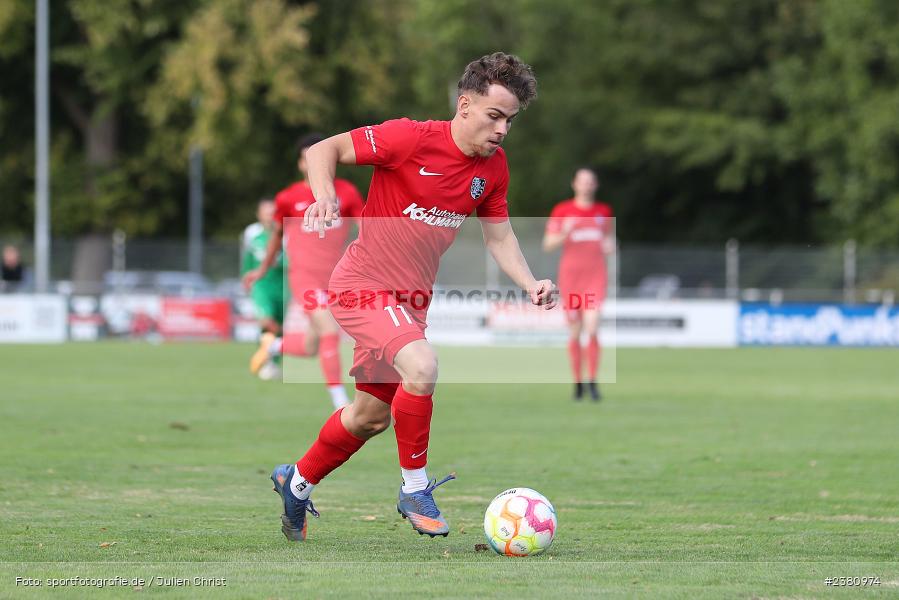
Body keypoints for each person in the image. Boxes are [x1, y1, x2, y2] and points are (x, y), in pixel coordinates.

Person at [267, 52, 556, 542]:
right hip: (361, 286)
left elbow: (500, 237)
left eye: (510, 120)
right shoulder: (410, 138)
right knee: (422, 367)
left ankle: (296, 482)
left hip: (409, 304)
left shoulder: (494, 168)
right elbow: (323, 149)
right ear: (464, 105)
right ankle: (415, 488)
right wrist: (325, 194)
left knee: (369, 417)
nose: (503, 129)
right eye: (495, 115)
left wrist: (530, 284)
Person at [243, 133, 365, 409]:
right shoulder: (288, 198)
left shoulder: (346, 193)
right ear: (301, 164)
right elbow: (275, 238)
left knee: (313, 345)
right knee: (330, 330)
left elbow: (366, 228)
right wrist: (261, 270)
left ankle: (273, 347)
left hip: (335, 279)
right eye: (308, 158)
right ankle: (339, 402)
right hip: (304, 277)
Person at [542, 168, 615, 401]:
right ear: (575, 184)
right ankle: (578, 383)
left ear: (595, 185)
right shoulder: (563, 211)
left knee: (592, 328)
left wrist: (610, 246)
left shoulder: (603, 212)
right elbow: (548, 244)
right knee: (575, 331)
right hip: (571, 279)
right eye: (582, 181)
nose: (586, 185)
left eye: (590, 181)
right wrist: (565, 231)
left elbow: (610, 241)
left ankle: (592, 381)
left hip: (595, 278)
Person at [241, 199, 286, 379]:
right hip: (261, 286)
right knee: (267, 322)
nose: (269, 216)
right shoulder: (252, 234)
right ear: (259, 215)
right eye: (265, 212)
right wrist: (246, 277)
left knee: (280, 327)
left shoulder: (285, 233)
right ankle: (268, 356)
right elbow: (248, 259)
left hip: (282, 286)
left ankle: (272, 362)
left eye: (272, 212)